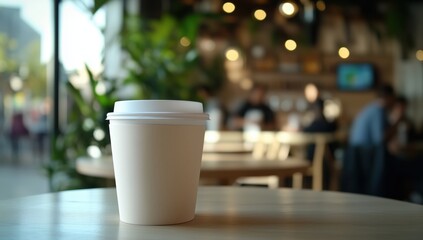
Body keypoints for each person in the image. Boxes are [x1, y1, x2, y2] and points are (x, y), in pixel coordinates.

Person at [342, 84, 398, 197]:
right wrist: (397, 120)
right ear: (388, 97)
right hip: (364, 153)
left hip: (356, 153)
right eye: (393, 98)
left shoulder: (370, 107)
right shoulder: (378, 110)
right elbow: (380, 139)